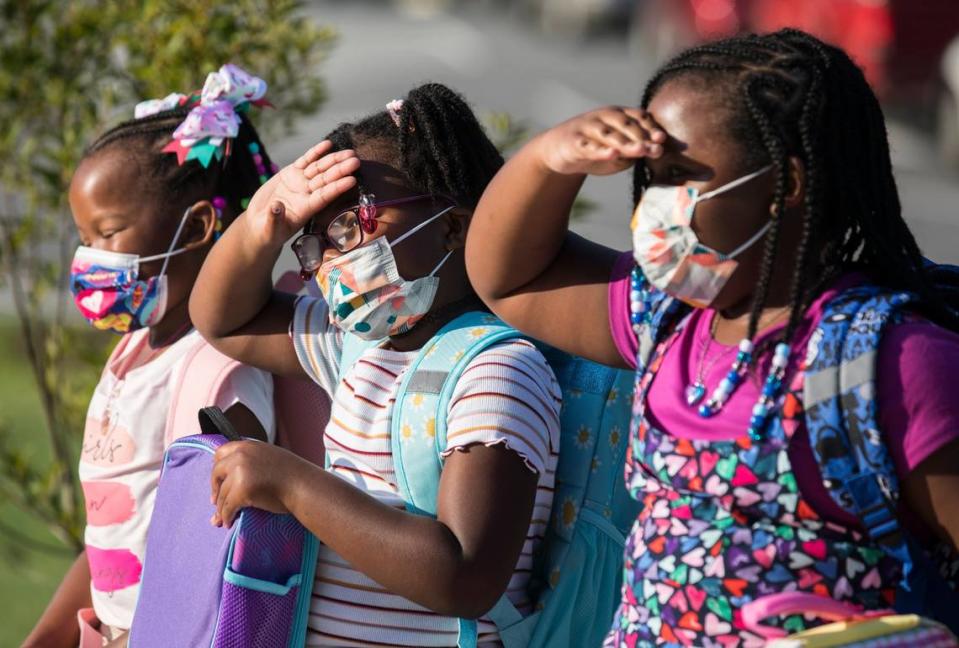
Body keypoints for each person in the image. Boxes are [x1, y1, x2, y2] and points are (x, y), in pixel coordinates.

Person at [464, 29, 959, 646]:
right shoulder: (666, 319)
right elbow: (508, 278)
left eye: (679, 177)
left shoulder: (894, 360)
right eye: (651, 179)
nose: (655, 206)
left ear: (788, 184)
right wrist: (549, 160)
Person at [190, 83, 562, 646]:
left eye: (349, 227)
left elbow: (465, 577)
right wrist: (265, 218)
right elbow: (224, 320)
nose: (329, 263)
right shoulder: (357, 347)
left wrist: (293, 485)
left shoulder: (499, 371)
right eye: (315, 243)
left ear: (451, 227)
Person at [23, 64, 278, 648]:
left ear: (198, 226)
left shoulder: (217, 369)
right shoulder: (132, 351)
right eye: (84, 237)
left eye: (107, 232)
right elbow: (117, 529)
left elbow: (231, 549)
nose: (89, 256)